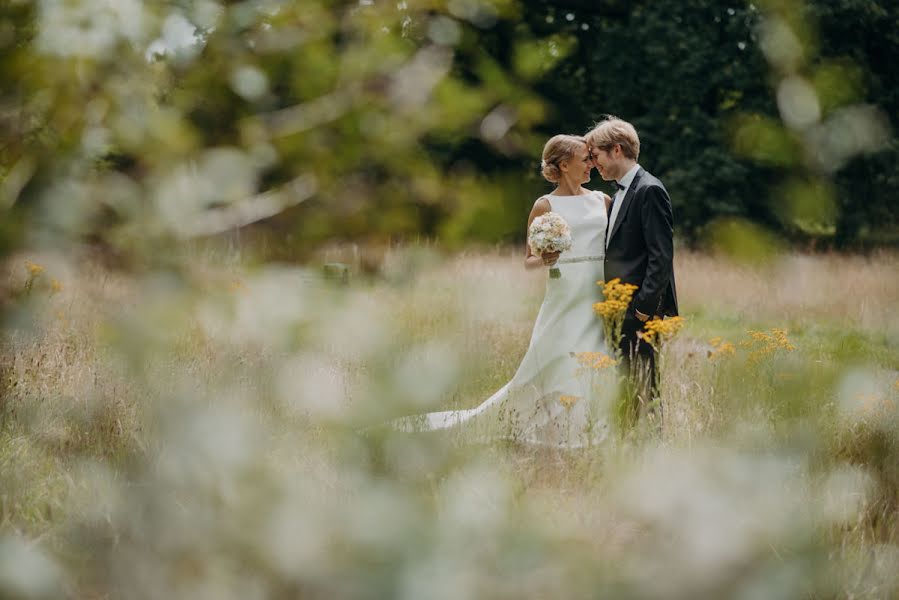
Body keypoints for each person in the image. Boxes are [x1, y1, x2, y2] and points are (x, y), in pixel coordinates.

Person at [396, 135, 615, 447]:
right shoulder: (546, 205)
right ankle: (529, 426)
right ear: (564, 165)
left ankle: (586, 432)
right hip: (564, 293)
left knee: (594, 358)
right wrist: (545, 258)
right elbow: (528, 260)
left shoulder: (602, 200)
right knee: (555, 357)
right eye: (585, 159)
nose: (591, 164)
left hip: (599, 292)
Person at [585, 116, 678, 426]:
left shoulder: (649, 189)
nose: (593, 162)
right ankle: (626, 445)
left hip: (637, 311)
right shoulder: (619, 193)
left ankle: (650, 449)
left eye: (595, 154)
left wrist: (643, 308)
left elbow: (660, 256)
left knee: (645, 385)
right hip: (618, 310)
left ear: (615, 150)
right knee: (625, 383)